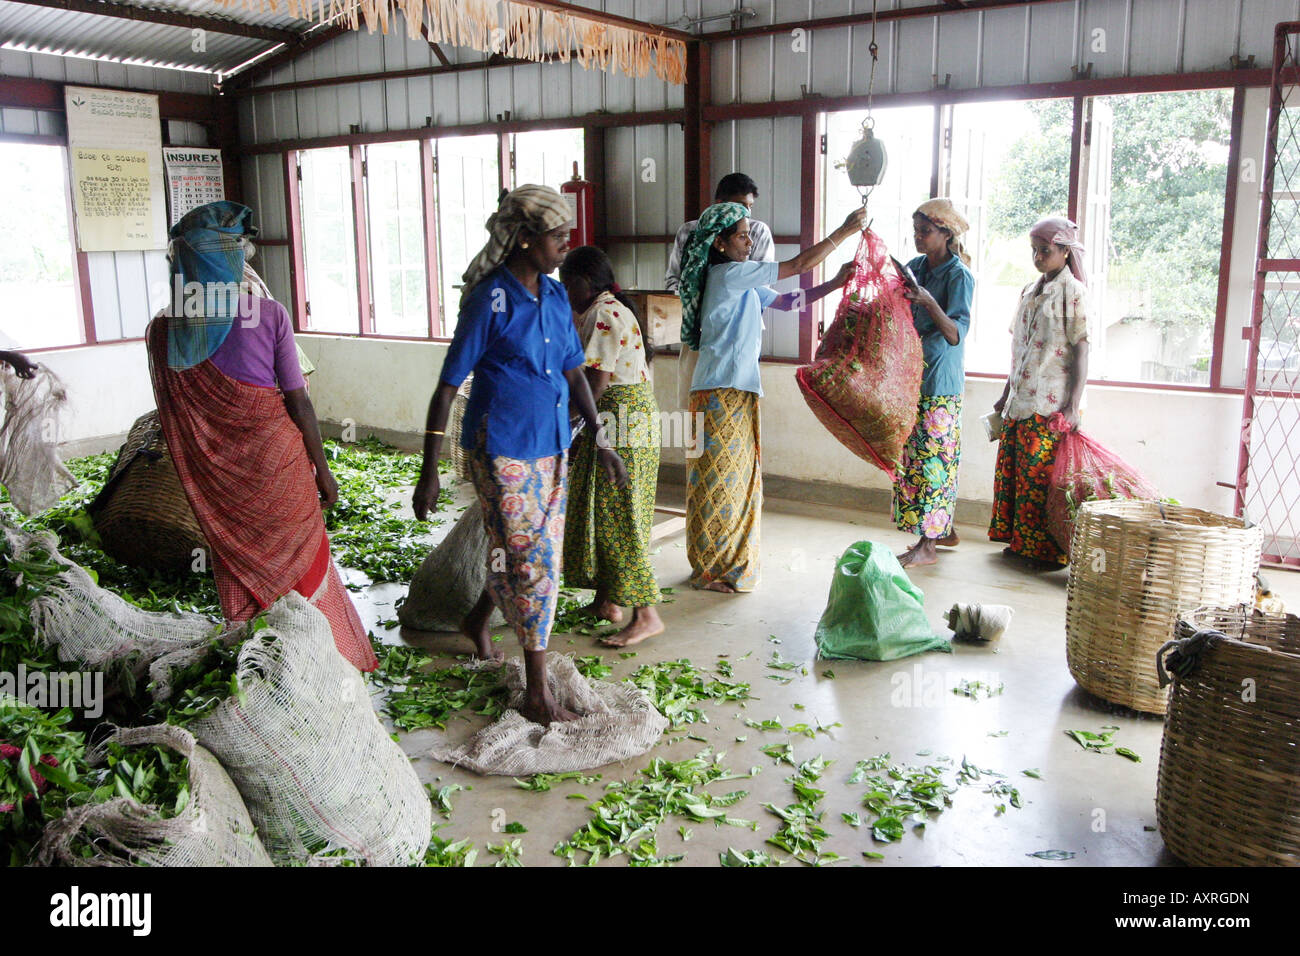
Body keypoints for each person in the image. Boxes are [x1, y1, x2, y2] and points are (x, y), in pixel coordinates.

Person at [412, 185, 628, 726]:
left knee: (532, 558)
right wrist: (428, 471)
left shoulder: (555, 298)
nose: (565, 246)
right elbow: (446, 386)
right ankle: (536, 692)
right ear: (525, 239)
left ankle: (476, 621)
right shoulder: (491, 299)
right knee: (530, 564)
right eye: (557, 237)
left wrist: (600, 440)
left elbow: (575, 372)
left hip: (553, 444)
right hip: (502, 449)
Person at [146, 200, 376, 671]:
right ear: (230, 258)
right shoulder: (266, 314)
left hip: (220, 483)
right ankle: (323, 665)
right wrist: (324, 469)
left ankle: (262, 670)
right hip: (279, 463)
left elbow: (172, 416)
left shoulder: (161, 332)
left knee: (237, 562)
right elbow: (298, 401)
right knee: (302, 561)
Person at [680, 202, 866, 592]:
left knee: (736, 480)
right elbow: (797, 266)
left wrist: (834, 283)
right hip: (720, 389)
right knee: (719, 480)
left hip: (735, 388)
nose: (750, 242)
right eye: (742, 235)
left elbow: (787, 302)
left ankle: (724, 564)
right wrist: (845, 231)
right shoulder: (729, 275)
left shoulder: (740, 282)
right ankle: (712, 568)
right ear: (720, 244)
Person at [558, 246, 663, 648]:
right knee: (598, 507)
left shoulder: (604, 313)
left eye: (569, 283)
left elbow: (595, 384)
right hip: (620, 416)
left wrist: (564, 424)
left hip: (620, 419)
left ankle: (646, 615)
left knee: (619, 515)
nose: (566, 291)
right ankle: (607, 602)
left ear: (586, 281)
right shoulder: (604, 309)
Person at [989, 215, 1090, 569]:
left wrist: (1074, 407)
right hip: (1021, 401)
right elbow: (1020, 349)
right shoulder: (1028, 292)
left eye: (1044, 251)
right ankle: (1020, 544)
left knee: (1040, 479)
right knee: (1015, 475)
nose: (1037, 258)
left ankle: (1047, 552)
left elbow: (1081, 349)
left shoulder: (1073, 293)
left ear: (1064, 252)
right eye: (1034, 251)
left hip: (1050, 404)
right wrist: (1005, 395)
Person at [893, 200, 976, 568]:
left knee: (934, 460)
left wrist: (928, 302)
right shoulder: (915, 268)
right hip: (913, 374)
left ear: (946, 233)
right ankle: (942, 529)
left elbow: (956, 333)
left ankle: (927, 545)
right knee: (916, 459)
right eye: (916, 231)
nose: (918, 238)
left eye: (925, 231)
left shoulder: (959, 276)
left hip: (939, 380)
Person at [664, 173, 775, 293]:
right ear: (719, 204)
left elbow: (761, 282)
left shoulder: (758, 232)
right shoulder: (689, 231)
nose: (746, 212)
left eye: (750, 206)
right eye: (740, 206)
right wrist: (689, 304)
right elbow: (674, 279)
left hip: (740, 309)